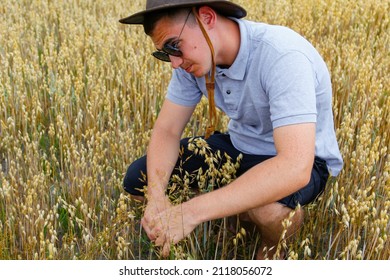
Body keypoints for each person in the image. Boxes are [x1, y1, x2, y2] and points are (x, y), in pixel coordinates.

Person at [119, 0, 343, 259]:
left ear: (207, 18)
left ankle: (272, 248)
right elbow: (167, 131)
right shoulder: (192, 62)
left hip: (303, 161)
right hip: (239, 147)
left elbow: (295, 166)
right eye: (163, 53)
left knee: (267, 209)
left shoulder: (282, 55)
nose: (174, 63)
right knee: (139, 181)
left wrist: (191, 212)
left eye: (173, 46)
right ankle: (234, 208)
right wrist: (156, 197)